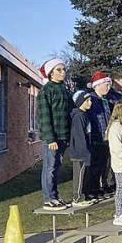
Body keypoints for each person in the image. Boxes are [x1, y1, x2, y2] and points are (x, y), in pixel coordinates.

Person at [37, 58, 73, 210]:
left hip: (64, 136)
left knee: (57, 167)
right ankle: (48, 199)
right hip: (53, 138)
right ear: (51, 73)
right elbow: (44, 117)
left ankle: (55, 196)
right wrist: (50, 138)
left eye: (64, 69)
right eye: (59, 70)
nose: (63, 72)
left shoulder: (65, 89)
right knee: (50, 167)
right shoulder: (47, 90)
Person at [87, 71, 115, 196]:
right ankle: (92, 188)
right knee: (95, 165)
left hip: (106, 137)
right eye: (106, 85)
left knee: (104, 164)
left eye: (109, 85)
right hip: (96, 137)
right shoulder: (92, 99)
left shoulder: (105, 100)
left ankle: (102, 185)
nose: (108, 88)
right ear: (97, 85)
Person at [69, 90, 97, 207]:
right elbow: (79, 136)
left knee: (85, 174)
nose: (90, 103)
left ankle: (84, 194)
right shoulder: (78, 116)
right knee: (79, 175)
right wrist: (84, 152)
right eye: (87, 100)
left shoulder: (85, 115)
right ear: (81, 102)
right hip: (79, 152)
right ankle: (77, 198)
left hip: (86, 150)